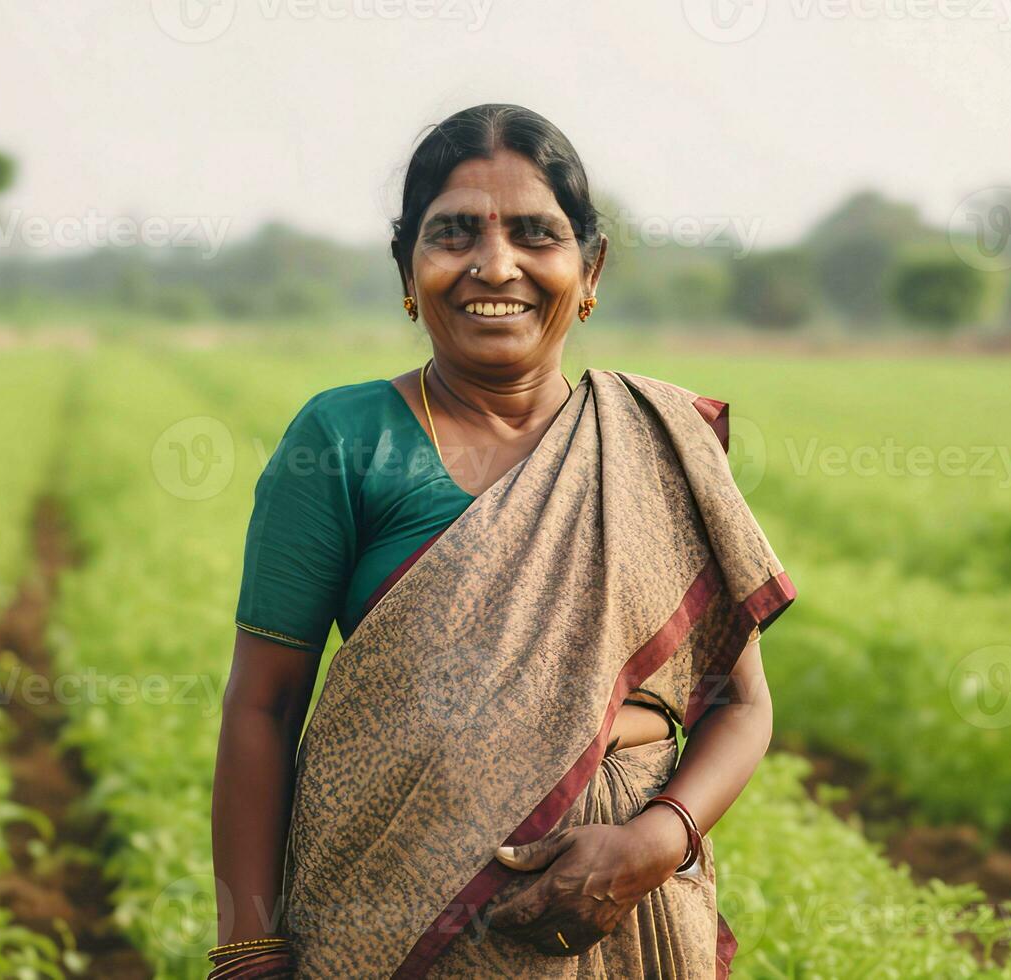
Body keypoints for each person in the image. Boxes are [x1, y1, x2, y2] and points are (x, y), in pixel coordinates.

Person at [209, 103, 795, 979]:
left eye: (534, 234)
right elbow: (261, 707)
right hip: (387, 915)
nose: (496, 265)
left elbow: (742, 707)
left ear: (588, 268)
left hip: (628, 914)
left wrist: (655, 841)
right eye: (454, 234)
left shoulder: (652, 440)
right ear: (408, 269)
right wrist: (249, 954)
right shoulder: (342, 437)